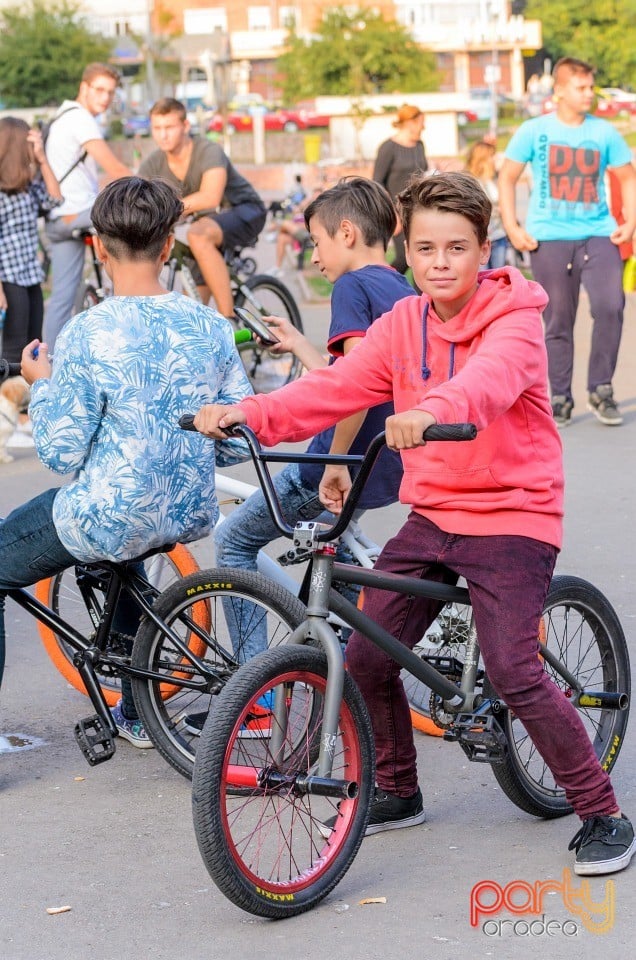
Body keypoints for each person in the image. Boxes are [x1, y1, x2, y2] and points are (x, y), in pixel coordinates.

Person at [193, 171, 635, 877]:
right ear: (407, 248)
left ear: (483, 249)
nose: (439, 262)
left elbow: (487, 382)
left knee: (515, 668)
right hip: (434, 515)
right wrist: (250, 412)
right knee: (367, 654)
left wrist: (429, 409)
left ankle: (603, 812)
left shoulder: (516, 317)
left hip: (514, 515)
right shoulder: (402, 324)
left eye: (456, 247)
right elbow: (335, 387)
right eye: (426, 247)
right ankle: (397, 788)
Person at [0, 176, 252, 746]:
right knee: (119, 558)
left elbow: (60, 450)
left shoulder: (87, 332)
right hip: (186, 509)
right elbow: (237, 439)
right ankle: (138, 712)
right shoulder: (211, 326)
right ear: (168, 247)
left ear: (97, 247)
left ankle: (135, 706)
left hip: (113, 513)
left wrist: (42, 384)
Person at [182, 177, 413, 737]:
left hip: (340, 465)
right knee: (341, 577)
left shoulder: (351, 288)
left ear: (348, 233)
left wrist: (333, 460)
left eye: (316, 241)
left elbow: (355, 388)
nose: (314, 254)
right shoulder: (403, 291)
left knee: (235, 538)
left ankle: (252, 693)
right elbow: (358, 376)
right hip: (384, 465)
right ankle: (357, 693)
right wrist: (305, 349)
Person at [499, 56, 636, 428]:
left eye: (591, 86)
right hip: (549, 236)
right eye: (581, 87)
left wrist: (632, 222)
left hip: (598, 232)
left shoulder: (604, 132)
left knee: (611, 305)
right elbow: (507, 177)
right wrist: (512, 225)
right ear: (559, 90)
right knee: (558, 318)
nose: (589, 93)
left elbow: (628, 176)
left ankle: (601, 389)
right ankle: (560, 396)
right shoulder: (533, 130)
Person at [139, 97, 267, 318]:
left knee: (197, 235)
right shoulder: (153, 163)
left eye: (169, 127)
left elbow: (210, 197)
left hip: (244, 210)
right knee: (191, 313)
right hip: (206, 224)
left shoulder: (208, 150)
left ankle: (228, 320)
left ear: (186, 126)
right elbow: (138, 197)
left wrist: (167, 209)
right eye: (157, 128)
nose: (163, 134)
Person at [43, 62, 131, 350]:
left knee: (61, 298)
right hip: (80, 214)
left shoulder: (62, 115)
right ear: (84, 87)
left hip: (59, 220)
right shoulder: (81, 118)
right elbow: (116, 168)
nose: (105, 98)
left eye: (110, 92)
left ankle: (48, 368)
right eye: (99, 90)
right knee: (132, 256)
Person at [0, 118, 62, 447]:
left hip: (29, 275)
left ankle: (25, 414)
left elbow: (55, 199)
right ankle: (13, 418)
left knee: (34, 344)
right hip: (7, 277)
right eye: (29, 142)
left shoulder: (26, 187)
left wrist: (42, 159)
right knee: (11, 349)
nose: (32, 147)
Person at [373, 104, 428, 275]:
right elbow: (377, 182)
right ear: (410, 123)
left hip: (419, 211)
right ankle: (383, 284)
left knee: (422, 258)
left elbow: (422, 174)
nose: (423, 127)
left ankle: (423, 300)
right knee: (405, 258)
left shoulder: (420, 145)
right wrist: (392, 214)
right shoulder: (388, 148)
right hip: (398, 212)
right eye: (421, 123)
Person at [465, 140, 508, 268]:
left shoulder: (496, 179)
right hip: (479, 240)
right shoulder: (469, 182)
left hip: (499, 236)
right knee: (481, 281)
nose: (495, 159)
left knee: (498, 279)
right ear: (483, 159)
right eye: (492, 156)